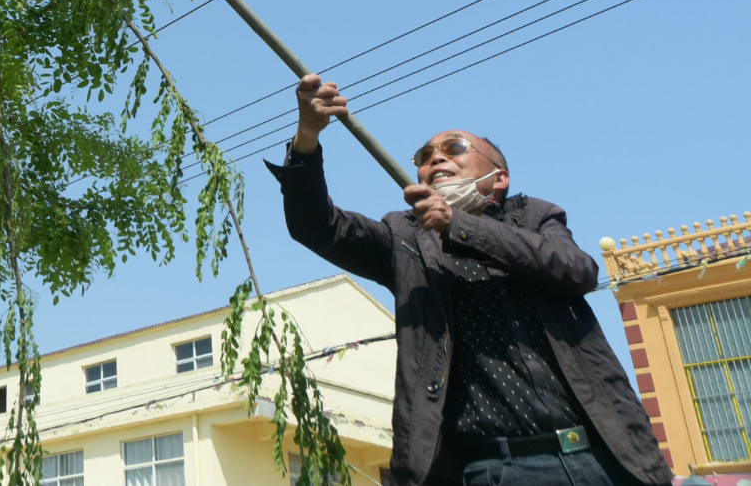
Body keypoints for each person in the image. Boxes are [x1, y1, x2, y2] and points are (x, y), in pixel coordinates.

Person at [267, 74, 671, 486]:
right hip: (492, 470)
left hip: (600, 460)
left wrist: (458, 226)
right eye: (425, 155)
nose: (435, 159)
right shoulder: (403, 239)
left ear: (499, 177)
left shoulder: (535, 216)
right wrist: (307, 137)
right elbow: (315, 225)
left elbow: (576, 270)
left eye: (453, 148)